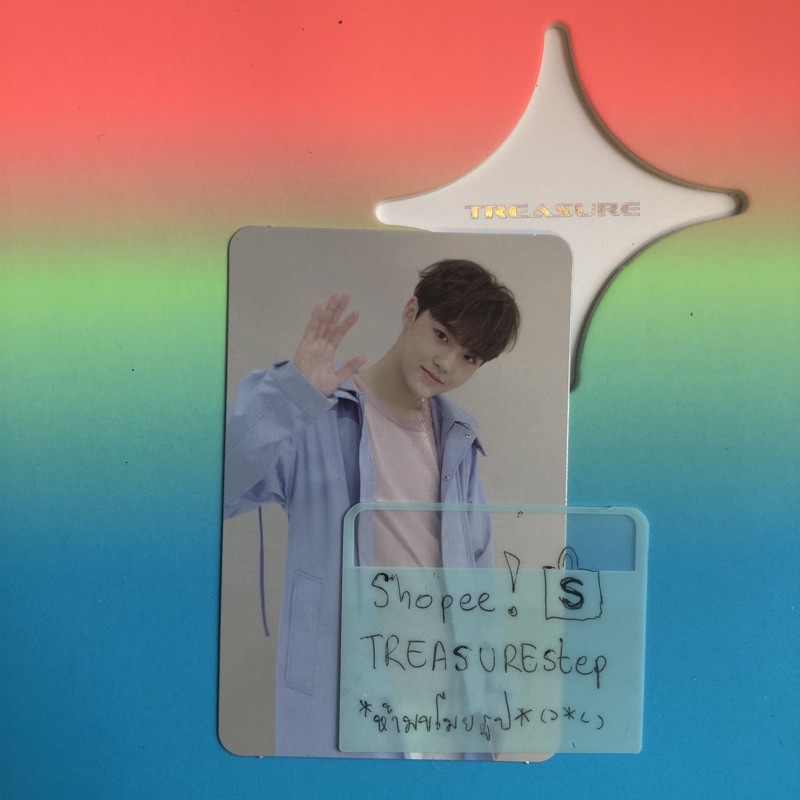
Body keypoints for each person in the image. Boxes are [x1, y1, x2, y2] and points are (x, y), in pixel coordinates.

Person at [223, 259, 521, 757]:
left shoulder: (458, 441)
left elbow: (479, 584)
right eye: (442, 335)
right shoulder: (317, 414)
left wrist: (491, 704)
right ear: (411, 312)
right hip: (345, 695)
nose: (447, 363)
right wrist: (289, 398)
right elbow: (213, 489)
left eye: (469, 357)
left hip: (443, 698)